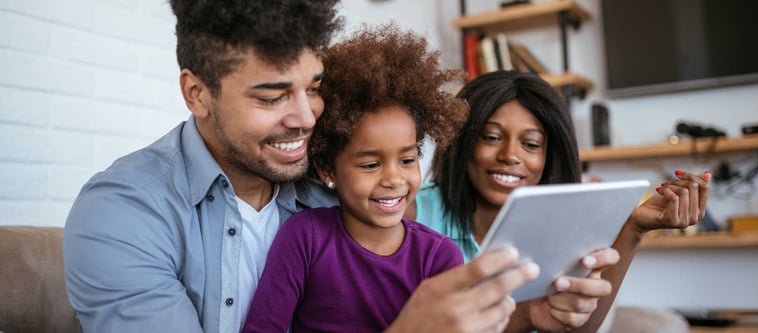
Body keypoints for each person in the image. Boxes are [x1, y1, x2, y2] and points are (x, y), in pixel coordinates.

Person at [63, 1, 539, 332]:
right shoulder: (123, 214)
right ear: (197, 94)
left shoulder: (331, 197)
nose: (307, 117)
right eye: (272, 96)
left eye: (313, 87)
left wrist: (535, 313)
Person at [410, 70, 711, 332]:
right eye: (490, 137)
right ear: (463, 142)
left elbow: (576, 328)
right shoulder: (412, 215)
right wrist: (530, 314)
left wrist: (633, 228)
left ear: (549, 156)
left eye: (530, 144)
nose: (510, 156)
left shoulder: (566, 218)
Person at [242, 26, 478, 332]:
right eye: (370, 164)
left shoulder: (439, 255)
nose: (394, 178)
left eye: (407, 160)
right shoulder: (305, 238)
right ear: (327, 170)